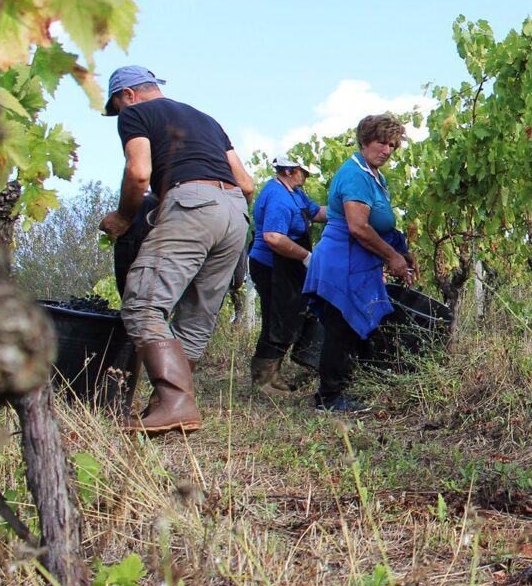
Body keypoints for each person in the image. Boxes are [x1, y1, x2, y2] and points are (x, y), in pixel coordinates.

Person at [98, 65, 254, 434]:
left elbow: (139, 173)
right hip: (235, 211)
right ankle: (163, 406)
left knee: (142, 303)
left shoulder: (135, 114)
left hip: (193, 202)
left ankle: (175, 402)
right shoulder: (206, 119)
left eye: (118, 106)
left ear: (128, 95)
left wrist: (124, 216)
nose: (119, 114)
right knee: (197, 316)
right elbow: (246, 183)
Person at [303, 114, 416, 413]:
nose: (388, 150)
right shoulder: (355, 175)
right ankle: (328, 398)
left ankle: (340, 389)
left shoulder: (374, 176)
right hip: (343, 261)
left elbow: (380, 224)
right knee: (341, 328)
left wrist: (400, 249)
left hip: (356, 260)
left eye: (392, 145)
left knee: (351, 327)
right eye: (382, 142)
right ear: (365, 141)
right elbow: (359, 227)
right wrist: (391, 257)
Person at [248, 155, 327, 394]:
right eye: (303, 172)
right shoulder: (278, 197)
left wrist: (349, 210)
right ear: (290, 171)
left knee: (290, 316)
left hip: (286, 266)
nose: (307, 176)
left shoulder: (295, 192)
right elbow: (273, 237)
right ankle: (263, 381)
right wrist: (306, 256)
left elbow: (316, 213)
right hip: (272, 267)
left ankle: (274, 375)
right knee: (277, 320)